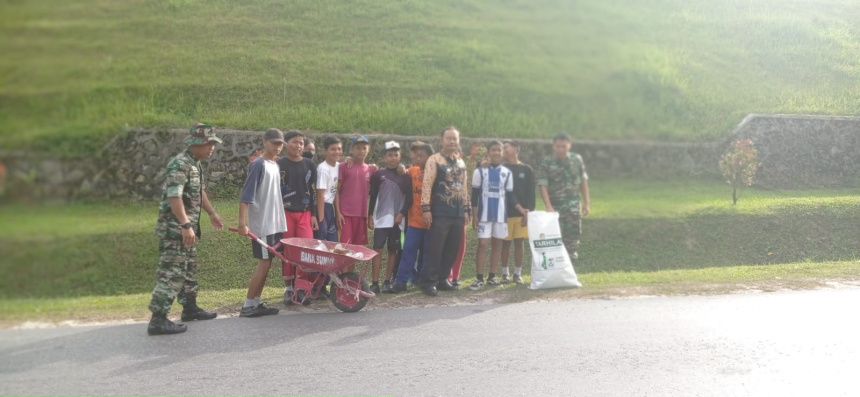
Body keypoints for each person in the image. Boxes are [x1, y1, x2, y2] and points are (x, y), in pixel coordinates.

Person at [147, 123, 224, 335]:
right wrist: (185, 225)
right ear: (196, 144)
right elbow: (174, 196)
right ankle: (158, 320)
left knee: (188, 269)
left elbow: (200, 191)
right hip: (175, 230)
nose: (212, 148)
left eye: (213, 144)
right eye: (209, 143)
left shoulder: (194, 163)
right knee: (171, 273)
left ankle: (189, 309)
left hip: (186, 229)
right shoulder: (180, 164)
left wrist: (212, 213)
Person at [237, 128, 288, 318]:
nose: (277, 147)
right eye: (274, 143)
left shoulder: (274, 165)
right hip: (263, 224)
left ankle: (254, 303)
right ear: (264, 142)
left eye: (280, 143)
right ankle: (248, 305)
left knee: (267, 263)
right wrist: (242, 223)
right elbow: (246, 196)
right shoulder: (258, 164)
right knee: (264, 263)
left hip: (274, 223)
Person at [420, 126, 471, 296]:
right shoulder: (434, 160)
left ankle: (443, 279)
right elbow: (426, 185)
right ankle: (429, 282)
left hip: (457, 213)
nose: (452, 141)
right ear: (441, 141)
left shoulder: (461, 162)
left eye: (455, 139)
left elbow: (464, 188)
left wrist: (466, 209)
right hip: (440, 212)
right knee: (436, 248)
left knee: (452, 249)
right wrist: (426, 209)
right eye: (449, 138)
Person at [469, 140, 525, 290]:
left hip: (501, 215)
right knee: (482, 245)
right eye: (493, 150)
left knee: (497, 245)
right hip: (484, 215)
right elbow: (474, 195)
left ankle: (492, 277)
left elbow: (510, 195)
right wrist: (475, 216)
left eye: (498, 150)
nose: (496, 153)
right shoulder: (479, 171)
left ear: (502, 153)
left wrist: (521, 209)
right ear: (488, 152)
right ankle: (479, 278)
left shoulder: (507, 173)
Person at [277, 130, 319, 304]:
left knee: (305, 252)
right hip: (285, 213)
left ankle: (301, 289)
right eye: (295, 142)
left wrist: (314, 215)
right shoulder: (279, 165)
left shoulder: (310, 165)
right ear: (286, 144)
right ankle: (288, 290)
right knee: (288, 251)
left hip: (305, 213)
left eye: (301, 143)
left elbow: (314, 192)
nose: (298, 146)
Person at [538, 133, 591, 264]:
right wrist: (548, 206)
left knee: (572, 240)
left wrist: (586, 203)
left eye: (564, 146)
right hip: (555, 207)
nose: (561, 149)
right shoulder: (547, 162)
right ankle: (556, 270)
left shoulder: (577, 160)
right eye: (558, 146)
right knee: (555, 239)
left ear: (569, 146)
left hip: (573, 206)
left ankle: (570, 272)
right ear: (553, 146)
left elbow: (583, 181)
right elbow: (542, 185)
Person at [390, 141, 434, 293]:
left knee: (428, 253)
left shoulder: (436, 173)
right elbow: (399, 170)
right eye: (417, 156)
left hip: (431, 222)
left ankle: (423, 281)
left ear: (431, 158)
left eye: (423, 156)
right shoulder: (412, 171)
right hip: (414, 221)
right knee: (408, 250)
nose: (418, 159)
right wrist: (400, 166)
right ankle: (401, 281)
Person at [368, 141, 411, 294]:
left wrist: (401, 214)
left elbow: (409, 198)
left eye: (396, 155)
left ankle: (387, 282)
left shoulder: (405, 175)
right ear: (384, 157)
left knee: (392, 251)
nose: (393, 158)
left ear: (400, 156)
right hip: (381, 219)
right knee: (377, 249)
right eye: (390, 155)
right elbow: (373, 196)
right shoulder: (378, 174)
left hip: (396, 220)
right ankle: (374, 283)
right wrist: (369, 215)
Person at [499, 140, 535, 284]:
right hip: (506, 213)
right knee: (505, 243)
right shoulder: (501, 168)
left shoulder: (526, 169)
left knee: (519, 243)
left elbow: (531, 193)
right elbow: (506, 193)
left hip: (522, 215)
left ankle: (517, 274)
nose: (503, 150)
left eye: (505, 147)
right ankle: (504, 274)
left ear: (515, 149)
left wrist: (528, 213)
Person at [336, 135, 373, 251]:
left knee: (355, 249)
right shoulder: (344, 166)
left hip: (361, 215)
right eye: (358, 148)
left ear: (369, 149)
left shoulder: (371, 170)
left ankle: (349, 270)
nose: (361, 151)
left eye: (364, 148)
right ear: (352, 149)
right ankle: (343, 270)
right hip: (345, 214)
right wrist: (338, 213)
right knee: (343, 248)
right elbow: (336, 191)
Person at [315, 136, 342, 243]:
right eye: (333, 149)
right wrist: (321, 220)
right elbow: (320, 195)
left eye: (339, 149)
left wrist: (338, 213)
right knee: (321, 241)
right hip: (322, 207)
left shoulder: (339, 166)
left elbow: (335, 191)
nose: (337, 152)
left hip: (330, 207)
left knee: (332, 242)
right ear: (325, 151)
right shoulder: (323, 169)